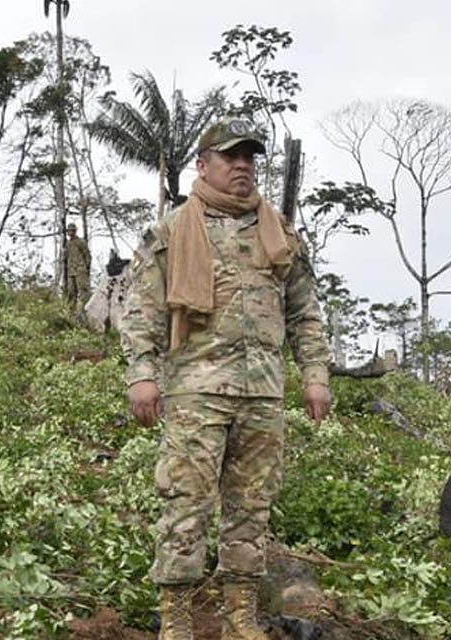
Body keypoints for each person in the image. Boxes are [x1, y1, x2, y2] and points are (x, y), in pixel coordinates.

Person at [118, 119, 332, 640]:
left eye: (250, 158)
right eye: (231, 157)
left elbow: (304, 312)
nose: (242, 166)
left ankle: (240, 619)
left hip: (262, 393)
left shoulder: (278, 232)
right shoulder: (172, 230)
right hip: (196, 392)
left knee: (251, 509)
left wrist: (315, 374)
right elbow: (140, 309)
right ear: (203, 163)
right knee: (185, 505)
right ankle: (178, 621)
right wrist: (142, 376)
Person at [65, 221, 91, 311]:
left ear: (75, 231)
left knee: (83, 291)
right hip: (71, 271)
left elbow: (87, 255)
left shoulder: (81, 242)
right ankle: (71, 311)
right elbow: (66, 257)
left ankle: (86, 309)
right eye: (69, 231)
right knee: (71, 292)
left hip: (80, 270)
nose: (70, 233)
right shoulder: (68, 244)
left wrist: (86, 268)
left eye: (72, 231)